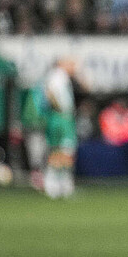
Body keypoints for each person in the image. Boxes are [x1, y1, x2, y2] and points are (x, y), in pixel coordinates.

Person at [42, 58, 79, 198]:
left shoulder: (59, 76)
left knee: (60, 150)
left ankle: (60, 184)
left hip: (60, 117)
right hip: (61, 118)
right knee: (62, 150)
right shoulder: (58, 76)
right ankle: (56, 184)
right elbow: (50, 92)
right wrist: (59, 109)